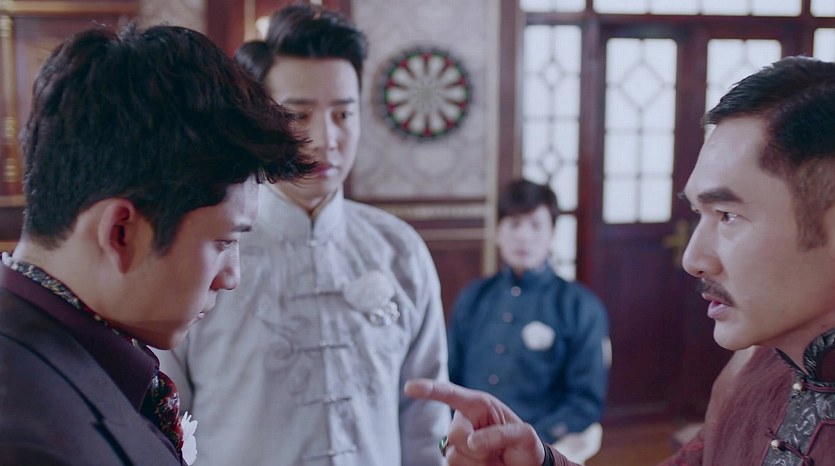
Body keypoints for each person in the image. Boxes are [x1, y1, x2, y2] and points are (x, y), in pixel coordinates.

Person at [406, 55, 835, 466]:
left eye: (727, 215)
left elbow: (583, 400)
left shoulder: (577, 306)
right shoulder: (748, 371)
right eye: (699, 213)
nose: (692, 259)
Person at [0, 24, 308, 465]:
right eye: (223, 242)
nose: (231, 278)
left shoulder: (64, 356)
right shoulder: (24, 438)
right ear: (121, 232)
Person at [157, 5, 450, 466]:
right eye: (299, 113)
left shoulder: (400, 250)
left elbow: (425, 423)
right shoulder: (205, 250)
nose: (326, 138)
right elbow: (165, 423)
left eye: (343, 114)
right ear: (259, 118)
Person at [447, 179, 609, 464]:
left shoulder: (580, 307)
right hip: (469, 443)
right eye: (514, 224)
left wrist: (531, 440)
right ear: (498, 232)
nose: (523, 236)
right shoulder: (473, 297)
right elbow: (449, 377)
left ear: (552, 233)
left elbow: (585, 401)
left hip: (538, 447)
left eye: (535, 225)